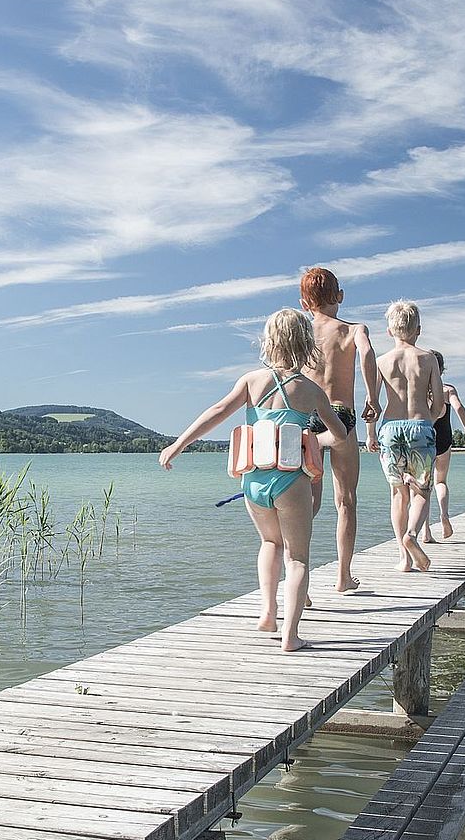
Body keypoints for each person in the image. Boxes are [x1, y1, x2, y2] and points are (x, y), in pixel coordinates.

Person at [160, 309, 354, 651]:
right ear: (306, 343)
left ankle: (267, 613)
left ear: (269, 341)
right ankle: (291, 636)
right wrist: (311, 439)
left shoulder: (252, 381)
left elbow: (217, 412)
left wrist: (179, 444)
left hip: (253, 483)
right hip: (290, 482)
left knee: (269, 544)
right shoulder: (310, 390)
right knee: (298, 558)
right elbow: (338, 436)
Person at [296, 266, 379, 595]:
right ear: (340, 296)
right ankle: (343, 576)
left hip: (307, 418)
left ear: (304, 303)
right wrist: (373, 396)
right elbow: (368, 353)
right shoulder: (354, 329)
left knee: (307, 504)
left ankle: (300, 580)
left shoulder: (303, 334)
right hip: (341, 414)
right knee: (346, 501)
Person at [368, 300, 442, 572]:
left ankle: (404, 557)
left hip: (390, 428)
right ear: (418, 330)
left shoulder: (382, 362)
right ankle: (413, 533)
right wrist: (429, 420)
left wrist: (370, 434)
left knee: (398, 494)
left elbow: (372, 404)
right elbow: (439, 404)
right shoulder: (429, 358)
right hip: (420, 425)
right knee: (421, 491)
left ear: (389, 332)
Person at [422, 350, 465, 543]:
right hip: (444, 439)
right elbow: (459, 407)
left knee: (423, 487)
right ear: (442, 369)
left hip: (425, 439)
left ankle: (426, 532)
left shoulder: (420, 389)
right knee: (440, 482)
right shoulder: (447, 389)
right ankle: (444, 515)